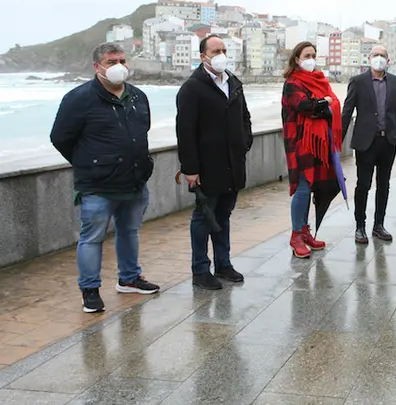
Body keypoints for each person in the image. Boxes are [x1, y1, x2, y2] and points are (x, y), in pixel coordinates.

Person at [50, 42, 159, 314]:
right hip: (97, 185)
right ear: (97, 66)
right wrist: (89, 164)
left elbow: (142, 132)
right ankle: (90, 290)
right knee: (92, 237)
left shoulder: (138, 96)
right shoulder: (79, 99)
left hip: (134, 180)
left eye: (122, 60)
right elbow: (60, 138)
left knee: (130, 231)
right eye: (112, 62)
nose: (119, 66)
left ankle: (130, 278)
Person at [176, 35, 253, 290]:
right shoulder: (192, 88)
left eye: (223, 49)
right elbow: (185, 130)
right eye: (214, 50)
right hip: (207, 167)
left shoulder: (233, 82)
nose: (220, 54)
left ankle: (223, 264)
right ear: (203, 56)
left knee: (224, 215)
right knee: (203, 218)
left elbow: (244, 118)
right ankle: (200, 270)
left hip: (233, 163)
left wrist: (244, 143)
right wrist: (190, 169)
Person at [281, 41, 342, 258]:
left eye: (313, 55)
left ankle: (305, 231)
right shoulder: (292, 83)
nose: (311, 59)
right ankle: (296, 235)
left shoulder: (319, 80)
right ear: (297, 59)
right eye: (306, 55)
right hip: (299, 142)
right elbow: (304, 107)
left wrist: (322, 104)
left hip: (318, 143)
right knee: (302, 187)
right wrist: (323, 104)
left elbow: (333, 104)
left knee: (314, 186)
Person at [341, 45, 396, 244]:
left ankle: (379, 225)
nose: (379, 58)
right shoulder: (358, 82)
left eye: (383, 56)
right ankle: (360, 226)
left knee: (384, 185)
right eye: (376, 55)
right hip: (365, 142)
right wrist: (338, 140)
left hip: (388, 141)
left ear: (388, 60)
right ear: (369, 58)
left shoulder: (395, 82)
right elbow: (347, 111)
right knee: (363, 184)